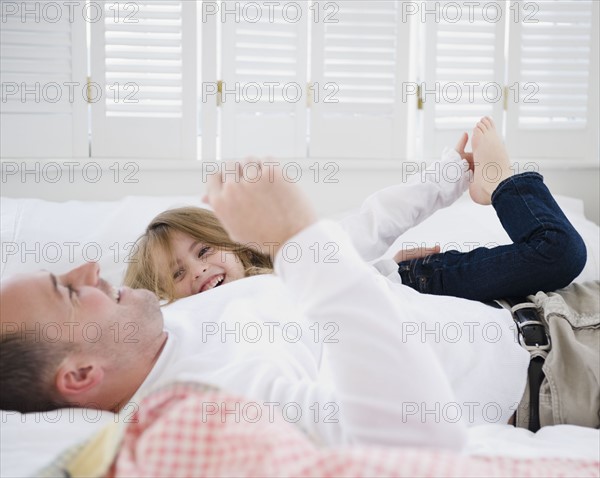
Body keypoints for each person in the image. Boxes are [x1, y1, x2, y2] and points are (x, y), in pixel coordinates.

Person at [1, 119, 597, 450]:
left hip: (551, 312)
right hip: (557, 380)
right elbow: (412, 438)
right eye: (67, 291)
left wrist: (386, 249)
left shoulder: (175, 324)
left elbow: (358, 233)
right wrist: (301, 242)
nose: (87, 270)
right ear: (80, 376)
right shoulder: (205, 406)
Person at [124, 117, 586, 304]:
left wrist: (450, 175)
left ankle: (501, 183)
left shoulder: (289, 259)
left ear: (230, 243)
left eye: (203, 250)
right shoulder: (197, 324)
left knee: (558, 253)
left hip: (423, 282)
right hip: (409, 288)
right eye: (177, 274)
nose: (199, 271)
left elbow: (376, 220)